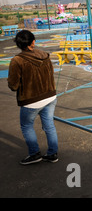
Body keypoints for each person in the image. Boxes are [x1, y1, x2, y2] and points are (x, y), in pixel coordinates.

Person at [8, 30, 58, 165]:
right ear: (33, 42)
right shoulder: (45, 55)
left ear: (18, 44)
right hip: (50, 96)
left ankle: (35, 154)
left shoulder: (17, 60)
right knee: (49, 125)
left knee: (27, 126)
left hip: (31, 101)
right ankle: (53, 153)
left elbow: (13, 85)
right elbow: (51, 74)